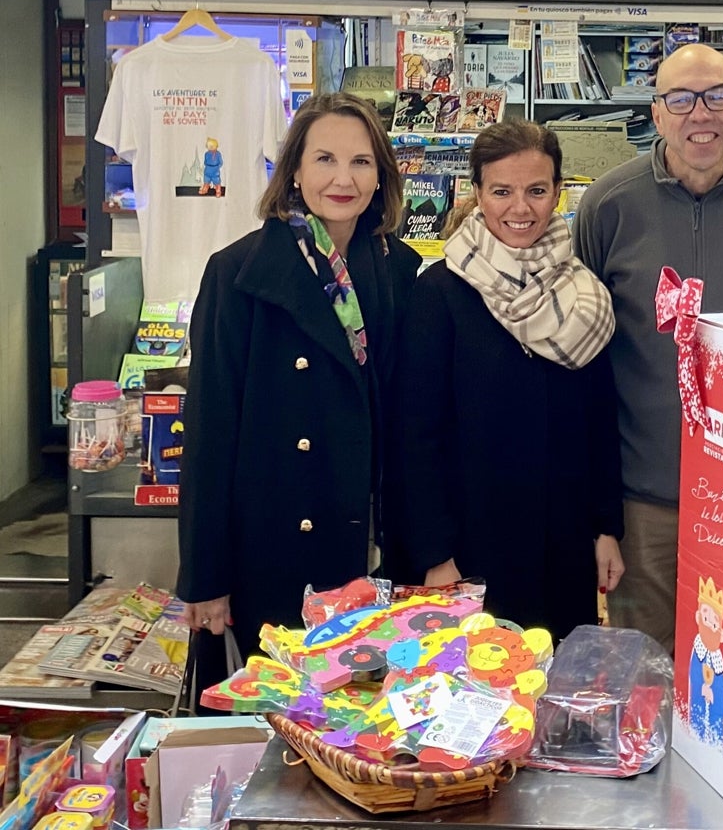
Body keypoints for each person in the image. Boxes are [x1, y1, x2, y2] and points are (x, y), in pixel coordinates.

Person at [572, 43, 723, 653]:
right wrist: (596, 510)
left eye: (715, 97)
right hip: (643, 501)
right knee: (641, 674)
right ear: (656, 113)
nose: (698, 114)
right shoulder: (609, 205)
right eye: (679, 99)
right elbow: (585, 361)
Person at [177, 93, 421, 694]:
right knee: (281, 727)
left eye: (362, 162)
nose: (344, 179)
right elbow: (209, 432)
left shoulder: (398, 271)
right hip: (274, 542)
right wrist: (205, 577)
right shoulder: (238, 275)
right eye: (325, 159)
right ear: (294, 169)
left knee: (364, 729)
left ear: (382, 175)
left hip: (369, 548)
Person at [396, 119, 624, 643]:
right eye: (502, 191)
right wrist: (435, 556)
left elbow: (599, 419)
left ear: (557, 193)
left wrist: (606, 527)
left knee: (555, 702)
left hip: (562, 546)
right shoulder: (441, 293)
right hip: (472, 554)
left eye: (536, 191)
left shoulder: (582, 293)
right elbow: (416, 435)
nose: (520, 209)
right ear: (477, 193)